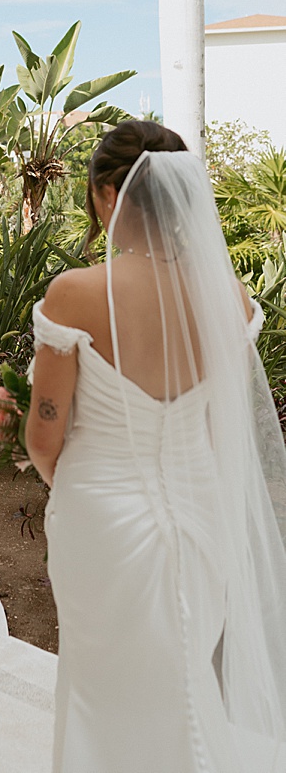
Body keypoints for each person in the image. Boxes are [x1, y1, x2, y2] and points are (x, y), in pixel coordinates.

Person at [27, 120, 286, 771]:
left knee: (97, 684)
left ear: (110, 195)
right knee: (184, 683)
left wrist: (80, 484)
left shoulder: (77, 293)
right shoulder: (226, 296)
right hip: (201, 511)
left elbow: (44, 433)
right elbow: (216, 428)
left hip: (101, 518)